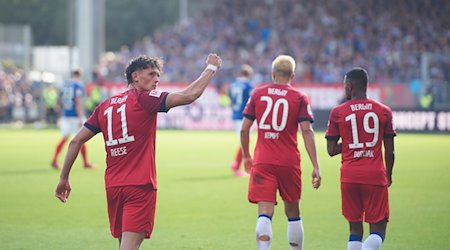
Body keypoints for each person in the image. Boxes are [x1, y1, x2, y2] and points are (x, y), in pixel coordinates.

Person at [55, 53, 222, 250]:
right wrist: (211, 68)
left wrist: (64, 178)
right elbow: (189, 95)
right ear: (135, 76)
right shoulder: (144, 99)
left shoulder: (105, 106)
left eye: (158, 75)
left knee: (124, 245)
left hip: (114, 186)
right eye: (151, 74)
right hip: (139, 186)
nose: (157, 79)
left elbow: (76, 141)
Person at [241, 55, 321, 250]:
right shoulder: (299, 97)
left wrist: (246, 155)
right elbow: (307, 131)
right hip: (289, 162)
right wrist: (316, 166)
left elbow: (244, 129)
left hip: (263, 160)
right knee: (293, 213)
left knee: (264, 212)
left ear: (273, 73)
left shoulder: (258, 94)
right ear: (292, 76)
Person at [325, 68, 396, 250]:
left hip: (349, 177)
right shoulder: (384, 111)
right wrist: (388, 175)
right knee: (378, 230)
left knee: (355, 229)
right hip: (374, 176)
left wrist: (350, 144)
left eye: (345, 86)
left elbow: (331, 150)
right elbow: (390, 150)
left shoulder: (338, 112)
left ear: (350, 86)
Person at [51, 70, 95, 169]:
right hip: (75, 116)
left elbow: (61, 99)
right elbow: (78, 101)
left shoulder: (66, 84)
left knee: (65, 138)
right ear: (79, 75)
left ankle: (54, 160)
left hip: (66, 115)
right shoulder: (78, 84)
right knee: (81, 138)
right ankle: (85, 162)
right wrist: (80, 117)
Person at [228, 64, 254, 176]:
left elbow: (230, 99)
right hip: (244, 116)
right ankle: (236, 166)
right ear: (248, 75)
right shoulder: (248, 85)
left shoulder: (233, 85)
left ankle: (239, 165)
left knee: (244, 139)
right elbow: (252, 100)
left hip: (235, 114)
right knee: (245, 140)